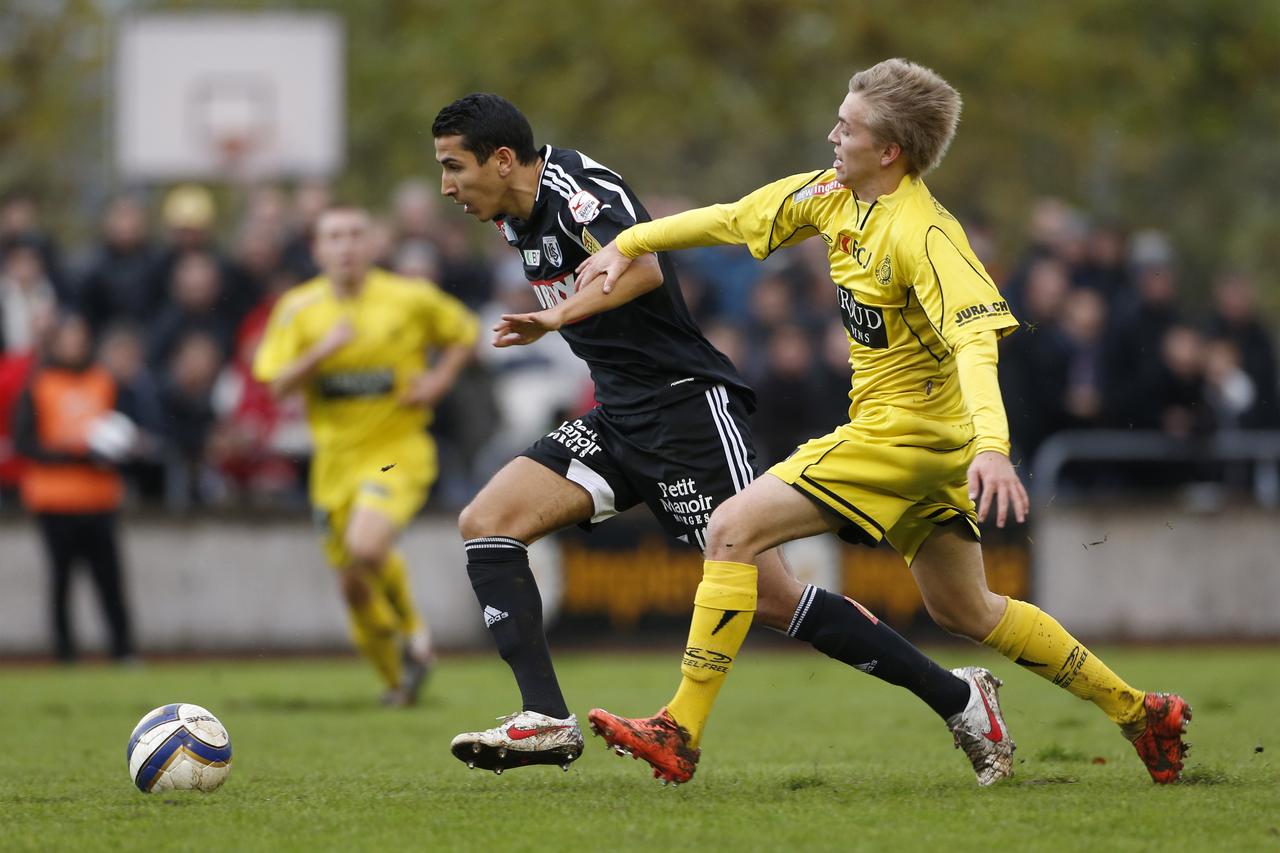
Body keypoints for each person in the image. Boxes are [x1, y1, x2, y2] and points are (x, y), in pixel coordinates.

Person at [577, 58, 1190, 785]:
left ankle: (679, 728)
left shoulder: (926, 234)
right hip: (923, 443)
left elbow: (974, 341)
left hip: (903, 439)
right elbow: (739, 217)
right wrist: (635, 240)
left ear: (890, 150)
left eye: (849, 125)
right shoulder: (836, 192)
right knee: (967, 608)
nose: (833, 133)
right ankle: (1141, 710)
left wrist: (993, 447)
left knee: (731, 529)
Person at [433, 93, 1015, 784]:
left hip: (687, 411)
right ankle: (546, 717)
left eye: (453, 167)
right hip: (619, 416)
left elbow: (644, 268)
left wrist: (556, 317)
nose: (447, 186)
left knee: (773, 597)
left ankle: (958, 696)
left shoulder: (579, 193)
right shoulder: (511, 213)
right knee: (487, 523)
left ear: (502, 160)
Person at [252, 205, 478, 706]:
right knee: (353, 585)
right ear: (317, 249)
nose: (346, 246)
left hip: (397, 451)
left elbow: (465, 332)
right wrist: (321, 352)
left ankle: (416, 634)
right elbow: (275, 384)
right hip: (333, 463)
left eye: (356, 235)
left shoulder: (409, 297)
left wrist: (437, 381)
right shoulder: (298, 308)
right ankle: (398, 682)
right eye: (334, 237)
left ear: (373, 245)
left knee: (367, 545)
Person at [11, 313, 136, 663]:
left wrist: (117, 450)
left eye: (80, 337)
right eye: (68, 337)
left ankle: (123, 651)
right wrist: (77, 454)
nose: (74, 344)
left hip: (99, 499)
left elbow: (125, 429)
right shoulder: (39, 384)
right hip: (55, 500)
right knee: (62, 580)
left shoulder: (104, 380)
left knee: (110, 580)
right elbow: (25, 443)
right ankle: (65, 653)